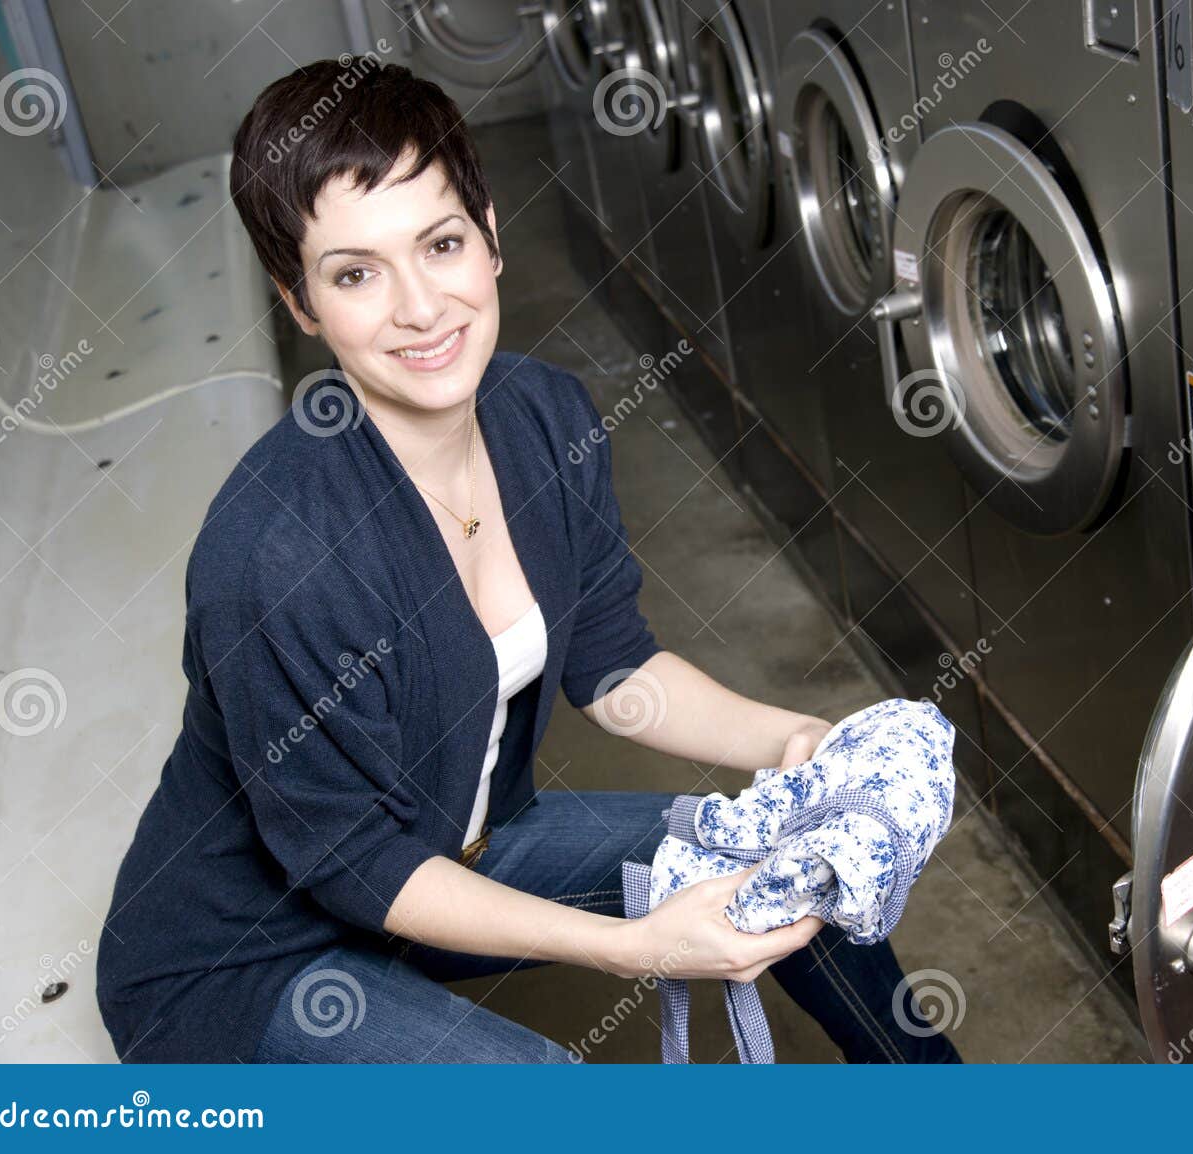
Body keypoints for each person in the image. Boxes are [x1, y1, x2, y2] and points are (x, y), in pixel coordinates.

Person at [94, 58, 960, 1065]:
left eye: (441, 243)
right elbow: (359, 865)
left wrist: (798, 739)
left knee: (767, 845)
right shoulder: (276, 551)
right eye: (356, 272)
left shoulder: (544, 418)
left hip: (455, 848)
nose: (420, 307)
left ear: (491, 236)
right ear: (299, 302)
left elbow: (614, 663)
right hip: (252, 957)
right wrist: (634, 943)